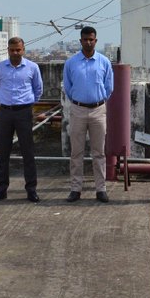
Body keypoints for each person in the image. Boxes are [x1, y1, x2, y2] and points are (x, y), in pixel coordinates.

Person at [63, 26, 114, 203]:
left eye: (91, 39)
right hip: (77, 109)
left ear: (96, 40)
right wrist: (79, 101)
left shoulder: (104, 62)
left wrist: (98, 100)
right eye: (85, 39)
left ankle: (101, 189)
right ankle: (75, 189)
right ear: (81, 41)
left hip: (98, 109)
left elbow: (109, 87)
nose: (88, 42)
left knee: (99, 152)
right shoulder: (71, 63)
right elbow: (68, 88)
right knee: (76, 152)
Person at [0, 37, 43, 203]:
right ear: (8, 50)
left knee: (28, 152)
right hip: (5, 112)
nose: (15, 53)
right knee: (3, 152)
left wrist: (27, 104)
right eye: (12, 50)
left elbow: (38, 89)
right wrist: (3, 101)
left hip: (24, 112)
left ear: (23, 49)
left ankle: (31, 189)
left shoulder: (32, 67)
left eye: (18, 50)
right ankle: (1, 189)